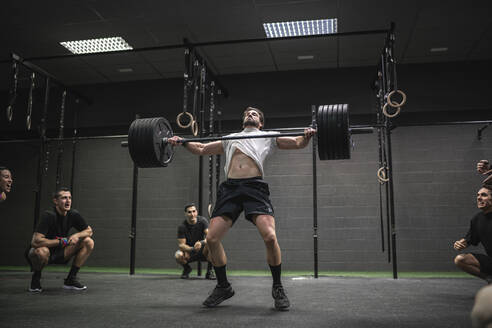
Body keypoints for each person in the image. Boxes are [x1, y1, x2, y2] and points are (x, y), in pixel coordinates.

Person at [168, 107, 316, 310]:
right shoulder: (230, 138)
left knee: (270, 237)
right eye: (248, 113)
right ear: (243, 119)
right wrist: (181, 142)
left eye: (255, 113)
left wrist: (307, 135)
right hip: (230, 189)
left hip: (255, 188)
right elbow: (202, 149)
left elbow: (298, 143)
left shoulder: (269, 136)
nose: (250, 114)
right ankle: (223, 286)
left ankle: (278, 287)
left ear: (261, 122)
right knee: (211, 239)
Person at [28, 187, 94, 292]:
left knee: (88, 242)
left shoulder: (73, 214)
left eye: (69, 198)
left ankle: (70, 279)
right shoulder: (48, 215)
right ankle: (36, 279)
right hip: (43, 254)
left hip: (61, 252)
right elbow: (35, 242)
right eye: (64, 198)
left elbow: (89, 231)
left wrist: (76, 236)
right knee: (41, 251)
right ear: (55, 201)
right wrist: (63, 241)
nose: (68, 201)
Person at [453, 185, 492, 284]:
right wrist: (460, 243)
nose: (479, 198)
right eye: (478, 195)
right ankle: (490, 279)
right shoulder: (477, 219)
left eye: (484, 195)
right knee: (460, 260)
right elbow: (470, 239)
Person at [175, 203, 215, 280]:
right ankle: (187, 269)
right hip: (190, 252)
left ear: (196, 212)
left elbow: (209, 238)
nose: (192, 214)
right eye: (189, 212)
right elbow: (181, 245)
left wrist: (201, 243)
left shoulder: (203, 221)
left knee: (213, 246)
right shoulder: (182, 227)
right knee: (178, 255)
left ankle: (209, 271)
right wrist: (192, 249)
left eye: (194, 211)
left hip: (203, 252)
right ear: (185, 214)